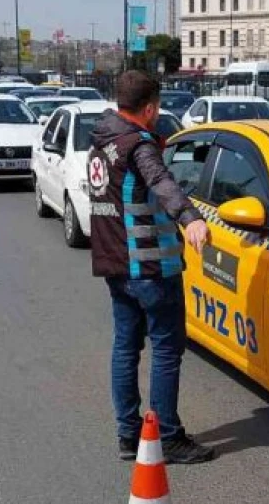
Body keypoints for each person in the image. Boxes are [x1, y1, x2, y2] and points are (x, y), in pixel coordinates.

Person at [89, 70, 215, 465]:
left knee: (125, 347)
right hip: (149, 266)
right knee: (165, 349)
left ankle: (128, 435)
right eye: (157, 109)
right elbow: (160, 180)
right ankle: (168, 436)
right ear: (150, 108)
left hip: (114, 263)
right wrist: (190, 216)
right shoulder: (138, 144)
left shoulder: (101, 142)